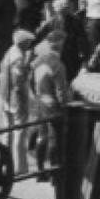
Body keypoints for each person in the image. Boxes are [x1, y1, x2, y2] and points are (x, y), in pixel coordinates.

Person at [0, 29, 36, 173]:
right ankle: (19, 166)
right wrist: (28, 63)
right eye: (29, 42)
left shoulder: (9, 52)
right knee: (20, 131)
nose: (30, 45)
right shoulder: (19, 58)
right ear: (23, 43)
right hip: (16, 99)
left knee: (7, 132)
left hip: (4, 96)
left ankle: (4, 163)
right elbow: (19, 80)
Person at [30, 29, 69, 176]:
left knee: (42, 135)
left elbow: (30, 81)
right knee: (55, 138)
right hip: (53, 106)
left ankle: (40, 171)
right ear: (60, 45)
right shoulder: (58, 65)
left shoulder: (39, 60)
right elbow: (61, 91)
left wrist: (37, 95)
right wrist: (64, 105)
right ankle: (55, 173)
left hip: (40, 102)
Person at [34, 0, 88, 79]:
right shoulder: (51, 22)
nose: (64, 12)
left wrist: (84, 55)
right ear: (56, 10)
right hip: (57, 54)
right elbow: (39, 35)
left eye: (66, 9)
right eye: (61, 10)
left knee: (71, 76)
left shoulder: (75, 21)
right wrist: (31, 45)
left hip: (72, 54)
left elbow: (83, 39)